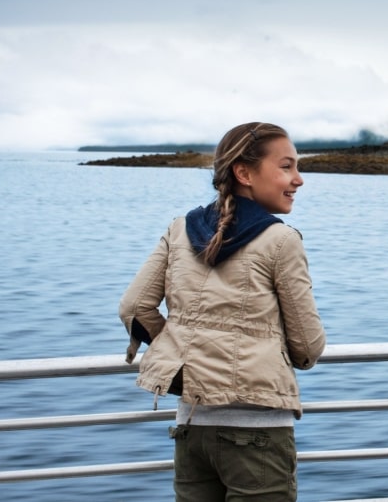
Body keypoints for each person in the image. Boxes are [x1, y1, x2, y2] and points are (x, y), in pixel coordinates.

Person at [119, 122, 326, 502]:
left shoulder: (181, 228)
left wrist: (183, 347)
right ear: (244, 173)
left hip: (191, 425)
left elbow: (135, 307)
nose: (299, 179)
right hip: (258, 432)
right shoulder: (281, 239)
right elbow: (308, 349)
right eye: (286, 167)